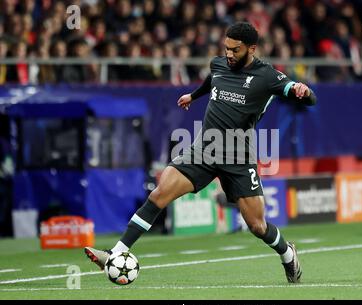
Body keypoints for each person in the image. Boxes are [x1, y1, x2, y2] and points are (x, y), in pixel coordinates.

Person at [84, 22, 317, 283]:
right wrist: (193, 96)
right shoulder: (219, 64)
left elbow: (307, 98)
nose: (229, 54)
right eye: (226, 48)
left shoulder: (268, 76)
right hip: (204, 149)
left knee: (257, 225)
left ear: (252, 48)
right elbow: (212, 81)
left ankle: (288, 254)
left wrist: (304, 91)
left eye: (235, 50)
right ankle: (116, 252)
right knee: (159, 193)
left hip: (238, 156)